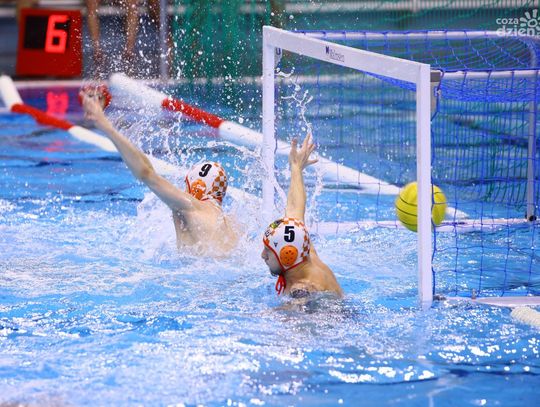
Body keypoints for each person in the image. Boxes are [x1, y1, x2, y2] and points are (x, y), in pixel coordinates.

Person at [80, 90, 239, 257]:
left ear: (197, 188)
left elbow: (146, 173)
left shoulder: (190, 207)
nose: (184, 191)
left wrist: (104, 124)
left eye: (187, 186)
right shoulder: (235, 228)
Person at [261, 134, 343, 298]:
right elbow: (294, 211)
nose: (262, 255)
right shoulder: (304, 252)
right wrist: (296, 167)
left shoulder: (301, 289)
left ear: (287, 256)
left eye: (268, 251)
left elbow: (299, 307)